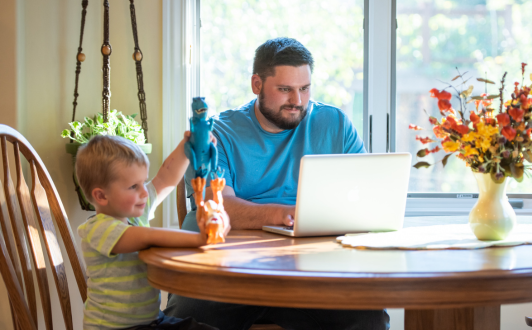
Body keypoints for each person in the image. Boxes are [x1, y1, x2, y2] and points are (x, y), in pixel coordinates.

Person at [164, 38, 390, 330]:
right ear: (256, 84)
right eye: (285, 89)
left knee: (369, 317)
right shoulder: (219, 132)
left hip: (313, 272)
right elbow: (216, 206)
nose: (297, 100)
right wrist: (285, 214)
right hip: (231, 271)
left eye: (304, 88)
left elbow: (366, 194)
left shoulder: (334, 124)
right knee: (185, 316)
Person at [76, 134, 229, 330]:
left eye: (144, 182)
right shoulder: (98, 229)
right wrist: (201, 238)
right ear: (101, 196)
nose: (144, 192)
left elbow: (166, 177)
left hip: (150, 321)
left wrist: (187, 146)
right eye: (133, 186)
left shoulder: (134, 212)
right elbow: (146, 237)